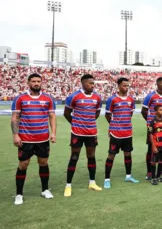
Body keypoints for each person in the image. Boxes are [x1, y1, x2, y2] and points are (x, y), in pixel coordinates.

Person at [11, 73, 56, 205]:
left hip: (42, 139)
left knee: (43, 163)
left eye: (38, 81)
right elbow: (15, 118)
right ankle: (19, 194)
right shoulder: (20, 98)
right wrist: (15, 135)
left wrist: (53, 133)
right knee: (23, 165)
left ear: (41, 83)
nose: (36, 83)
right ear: (28, 83)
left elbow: (52, 116)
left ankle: (45, 189)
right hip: (25, 139)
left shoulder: (48, 98)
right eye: (33, 81)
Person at [63, 74, 102, 197]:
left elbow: (97, 112)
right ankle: (68, 186)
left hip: (91, 132)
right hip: (77, 133)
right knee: (74, 157)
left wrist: (89, 122)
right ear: (83, 83)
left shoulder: (97, 97)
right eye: (90, 83)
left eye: (93, 83)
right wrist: (76, 123)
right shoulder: (74, 96)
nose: (92, 85)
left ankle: (92, 182)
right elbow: (66, 113)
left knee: (91, 156)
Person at [104, 78, 139, 189]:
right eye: (124, 85)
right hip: (116, 133)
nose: (126, 88)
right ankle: (107, 179)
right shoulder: (112, 99)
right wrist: (113, 125)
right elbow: (107, 115)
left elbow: (130, 114)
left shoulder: (131, 99)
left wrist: (125, 123)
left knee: (128, 154)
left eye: (128, 86)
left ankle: (128, 176)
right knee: (111, 155)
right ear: (118, 86)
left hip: (128, 132)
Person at [141, 77, 162, 180]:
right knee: (151, 150)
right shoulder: (151, 96)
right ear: (157, 84)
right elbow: (143, 111)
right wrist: (151, 123)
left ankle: (161, 171)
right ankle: (149, 171)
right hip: (153, 128)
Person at [149, 105, 162, 185]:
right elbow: (150, 134)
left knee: (161, 161)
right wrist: (153, 146)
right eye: (160, 110)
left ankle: (158, 177)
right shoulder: (152, 122)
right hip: (156, 146)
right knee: (154, 162)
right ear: (156, 112)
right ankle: (153, 178)